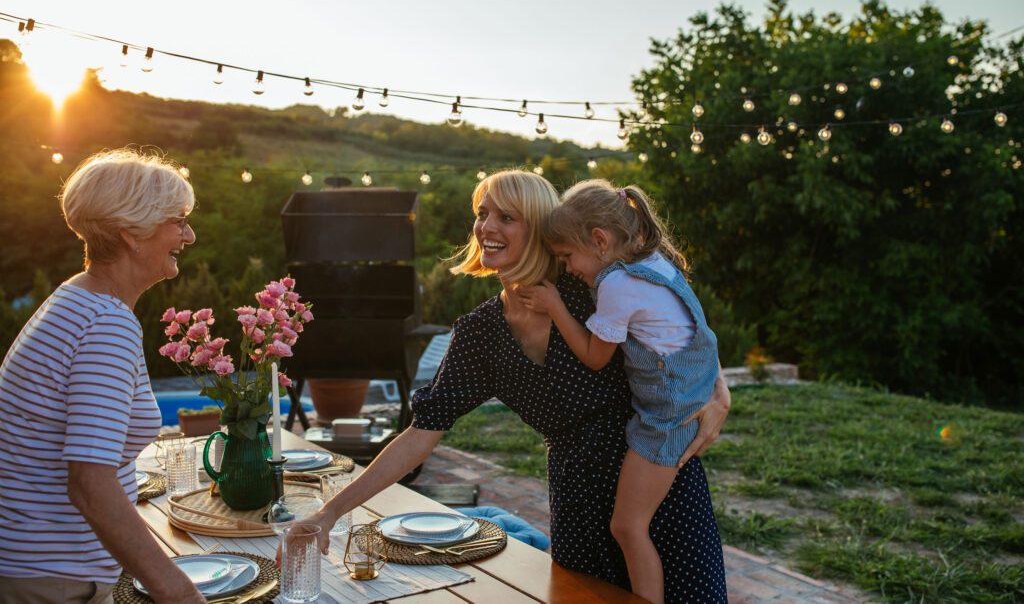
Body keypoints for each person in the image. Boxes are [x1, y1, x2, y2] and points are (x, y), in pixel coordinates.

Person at [296, 169, 729, 602]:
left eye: (507, 216)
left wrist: (716, 386)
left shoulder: (588, 289)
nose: (487, 227)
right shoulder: (480, 335)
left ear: (540, 226)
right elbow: (419, 435)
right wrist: (328, 512)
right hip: (577, 509)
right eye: (482, 214)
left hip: (661, 491)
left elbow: (673, 321)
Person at [0, 149, 206, 604]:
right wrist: (180, 593)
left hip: (34, 567)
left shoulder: (73, 298)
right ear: (132, 232)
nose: (188, 236)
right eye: (178, 221)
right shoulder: (105, 325)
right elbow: (90, 485)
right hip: (54, 580)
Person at [517, 179, 719, 604]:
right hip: (689, 390)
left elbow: (595, 356)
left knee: (627, 526)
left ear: (600, 240)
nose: (569, 268)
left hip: (666, 416)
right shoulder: (656, 261)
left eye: (568, 256)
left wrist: (555, 306)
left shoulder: (617, 285)